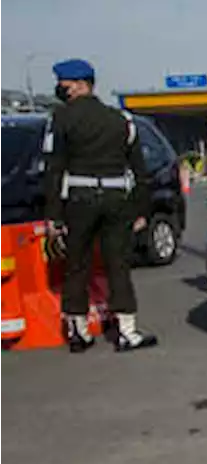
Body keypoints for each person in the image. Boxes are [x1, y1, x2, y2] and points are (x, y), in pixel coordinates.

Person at [42, 58, 157, 353]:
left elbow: (53, 169)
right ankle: (127, 332)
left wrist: (53, 217)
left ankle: (78, 332)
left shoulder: (61, 119)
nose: (60, 90)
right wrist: (142, 210)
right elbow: (139, 170)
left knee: (76, 264)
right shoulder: (122, 120)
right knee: (117, 264)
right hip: (117, 200)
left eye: (64, 85)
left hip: (79, 201)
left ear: (81, 84)